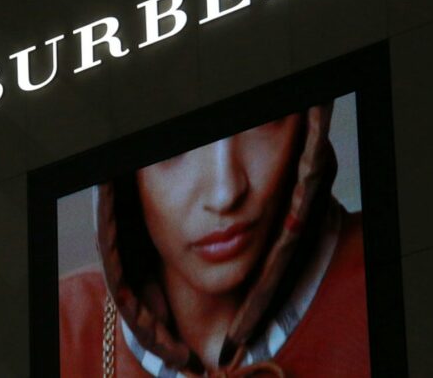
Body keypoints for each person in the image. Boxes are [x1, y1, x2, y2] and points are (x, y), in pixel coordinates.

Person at [59, 104, 370, 377]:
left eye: (259, 119)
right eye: (173, 139)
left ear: (308, 124)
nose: (226, 192)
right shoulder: (63, 330)